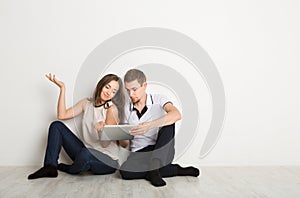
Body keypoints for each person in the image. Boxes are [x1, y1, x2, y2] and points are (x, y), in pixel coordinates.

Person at [28, 73, 128, 179]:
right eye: (107, 87)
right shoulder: (86, 103)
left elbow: (105, 144)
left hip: (107, 161)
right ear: (101, 85)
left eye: (113, 91)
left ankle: (70, 169)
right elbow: (62, 115)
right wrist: (62, 88)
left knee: (85, 154)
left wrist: (101, 131)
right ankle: (50, 167)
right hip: (86, 151)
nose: (109, 92)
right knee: (56, 125)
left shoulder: (111, 109)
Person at [119, 69, 200, 187]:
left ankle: (155, 165)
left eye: (134, 89)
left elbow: (176, 115)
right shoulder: (126, 109)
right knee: (125, 172)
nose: (131, 94)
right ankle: (172, 170)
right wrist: (123, 134)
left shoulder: (159, 99)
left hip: (161, 149)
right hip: (140, 153)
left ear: (144, 86)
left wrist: (150, 125)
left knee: (169, 121)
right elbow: (124, 144)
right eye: (128, 90)